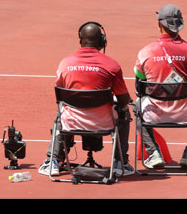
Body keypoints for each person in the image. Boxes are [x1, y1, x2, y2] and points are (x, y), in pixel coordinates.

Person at [38, 21, 134, 176]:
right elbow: (124, 101)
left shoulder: (65, 63)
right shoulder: (112, 66)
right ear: (103, 42)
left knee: (61, 112)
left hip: (72, 122)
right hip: (104, 123)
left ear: (80, 41)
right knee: (125, 112)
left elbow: (61, 95)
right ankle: (120, 162)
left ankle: (53, 161)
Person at [134, 4, 187, 169]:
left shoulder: (145, 52)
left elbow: (139, 88)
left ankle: (153, 152)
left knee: (136, 106)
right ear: (179, 24)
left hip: (154, 113)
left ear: (159, 24)